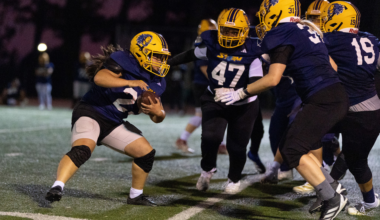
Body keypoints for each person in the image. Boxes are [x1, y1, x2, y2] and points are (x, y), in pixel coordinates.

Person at [219, 0, 349, 219]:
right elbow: (332, 66)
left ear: (275, 12)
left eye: (265, 14)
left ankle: (332, 197)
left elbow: (272, 79)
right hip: (332, 95)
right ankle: (333, 189)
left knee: (292, 150)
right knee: (292, 144)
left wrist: (240, 92)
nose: (262, 20)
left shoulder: (282, 32)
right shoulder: (307, 30)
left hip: (322, 100)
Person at [45, 31, 170, 206]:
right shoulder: (124, 61)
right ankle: (57, 186)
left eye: (162, 57)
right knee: (83, 149)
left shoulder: (157, 80)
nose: (160, 62)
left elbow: (158, 118)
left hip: (114, 122)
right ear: (141, 52)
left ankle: (136, 196)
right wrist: (130, 82)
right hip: (92, 111)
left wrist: (158, 113)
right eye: (156, 56)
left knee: (146, 153)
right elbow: (99, 77)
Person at [168, 8, 263, 193]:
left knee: (237, 147)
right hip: (215, 97)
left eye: (234, 30)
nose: (228, 34)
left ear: (243, 32)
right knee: (211, 138)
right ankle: (207, 170)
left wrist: (239, 93)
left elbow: (256, 82)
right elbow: (190, 55)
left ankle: (233, 179)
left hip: (245, 104)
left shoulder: (253, 50)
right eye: (225, 29)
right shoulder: (211, 42)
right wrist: (168, 63)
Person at [318, 2, 380, 215]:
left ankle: (369, 201)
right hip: (361, 108)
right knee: (324, 139)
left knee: (357, 161)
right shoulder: (371, 39)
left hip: (358, 112)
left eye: (327, 17)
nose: (324, 21)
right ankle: (329, 185)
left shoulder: (332, 40)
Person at [175, 19, 229, 154]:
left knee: (220, 113)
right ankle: (182, 139)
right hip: (203, 85)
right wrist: (219, 82)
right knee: (201, 115)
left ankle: (220, 144)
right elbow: (204, 67)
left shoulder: (211, 44)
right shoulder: (204, 44)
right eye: (212, 29)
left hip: (207, 84)